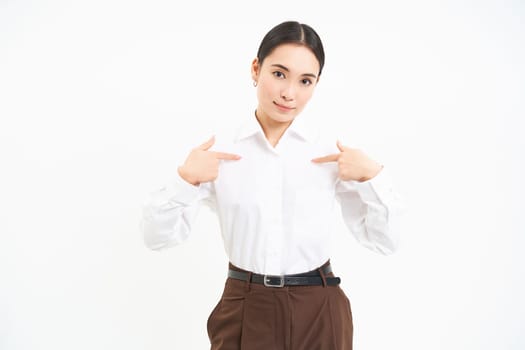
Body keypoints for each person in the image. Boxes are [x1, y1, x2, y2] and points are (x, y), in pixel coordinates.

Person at [141, 20, 403, 350]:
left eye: (304, 81)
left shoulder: (331, 152)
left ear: (315, 84)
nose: (289, 93)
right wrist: (185, 179)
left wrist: (373, 176)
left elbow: (385, 242)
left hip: (319, 307)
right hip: (245, 304)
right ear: (256, 69)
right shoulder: (219, 151)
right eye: (279, 74)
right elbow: (155, 238)